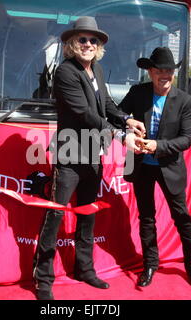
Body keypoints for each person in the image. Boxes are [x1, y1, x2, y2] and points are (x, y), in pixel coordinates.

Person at [32, 16, 145, 300]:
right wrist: (121, 136)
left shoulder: (98, 69)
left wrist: (127, 120)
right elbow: (85, 114)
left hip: (93, 154)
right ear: (72, 43)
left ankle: (84, 268)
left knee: (87, 214)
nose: (88, 44)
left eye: (93, 40)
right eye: (82, 39)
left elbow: (106, 104)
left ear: (99, 46)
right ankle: (42, 278)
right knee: (55, 215)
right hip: (69, 155)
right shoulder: (65, 72)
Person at [119, 47, 191, 289]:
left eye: (169, 70)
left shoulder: (185, 100)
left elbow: (187, 139)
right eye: (159, 70)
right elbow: (118, 114)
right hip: (141, 166)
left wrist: (158, 145)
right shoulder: (137, 92)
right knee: (147, 219)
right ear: (150, 72)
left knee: (182, 218)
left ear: (173, 73)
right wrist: (128, 127)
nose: (164, 75)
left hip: (169, 167)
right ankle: (149, 265)